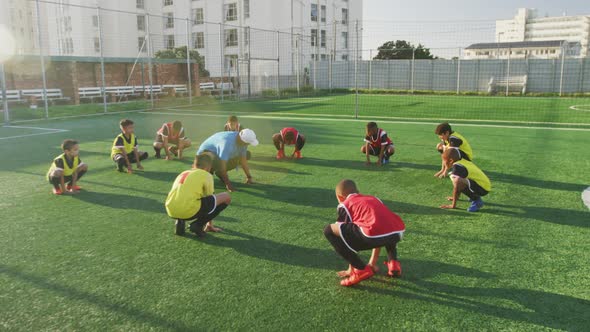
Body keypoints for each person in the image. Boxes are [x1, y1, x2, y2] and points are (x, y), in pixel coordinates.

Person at [323, 179, 406, 287]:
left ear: (339, 197)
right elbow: (378, 228)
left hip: (375, 235)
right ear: (357, 191)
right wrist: (372, 263)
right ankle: (393, 264)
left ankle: (360, 269)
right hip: (397, 232)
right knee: (385, 226)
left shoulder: (345, 204)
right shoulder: (373, 198)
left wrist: (351, 268)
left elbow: (343, 236)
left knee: (329, 230)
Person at [165, 154, 231, 237]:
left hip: (171, 210)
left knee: (186, 197)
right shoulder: (206, 175)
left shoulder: (183, 173)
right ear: (208, 167)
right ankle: (198, 225)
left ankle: (180, 221)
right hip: (188, 211)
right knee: (226, 197)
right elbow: (211, 197)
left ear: (194, 165)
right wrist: (209, 224)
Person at [440, 148, 491, 212]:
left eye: (444, 161)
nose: (444, 163)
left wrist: (453, 205)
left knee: (456, 179)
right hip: (485, 185)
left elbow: (457, 186)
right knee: (455, 178)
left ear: (450, 160)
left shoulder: (457, 167)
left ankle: (477, 200)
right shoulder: (462, 161)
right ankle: (473, 196)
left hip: (483, 189)